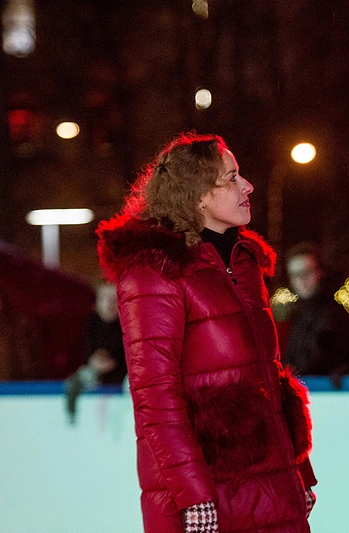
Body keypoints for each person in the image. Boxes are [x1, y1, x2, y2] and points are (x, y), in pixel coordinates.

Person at [96, 133, 316, 533]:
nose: (246, 186)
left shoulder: (243, 261)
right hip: (206, 495)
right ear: (197, 195)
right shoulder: (155, 272)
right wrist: (193, 495)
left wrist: (299, 469)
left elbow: (268, 379)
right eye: (231, 178)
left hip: (270, 483)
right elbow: (154, 396)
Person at [278, 241, 349, 380]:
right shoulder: (297, 314)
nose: (301, 280)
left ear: (320, 272)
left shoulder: (335, 315)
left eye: (306, 272)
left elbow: (315, 362)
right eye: (295, 275)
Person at [64, 281, 126, 423]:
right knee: (73, 382)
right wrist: (94, 362)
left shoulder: (127, 323)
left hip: (122, 373)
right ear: (97, 301)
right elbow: (88, 350)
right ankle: (72, 418)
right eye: (103, 299)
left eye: (113, 300)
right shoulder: (92, 321)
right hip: (97, 370)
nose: (108, 305)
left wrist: (112, 363)